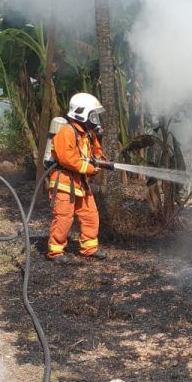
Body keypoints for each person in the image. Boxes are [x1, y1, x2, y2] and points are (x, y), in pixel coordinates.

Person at [46, 93, 110, 261]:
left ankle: (89, 248)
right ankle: (55, 252)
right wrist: (89, 168)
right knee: (63, 218)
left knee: (91, 215)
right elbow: (67, 158)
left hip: (81, 183)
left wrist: (102, 162)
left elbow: (96, 153)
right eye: (92, 115)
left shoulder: (88, 134)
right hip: (64, 183)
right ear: (82, 113)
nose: (95, 119)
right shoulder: (67, 131)